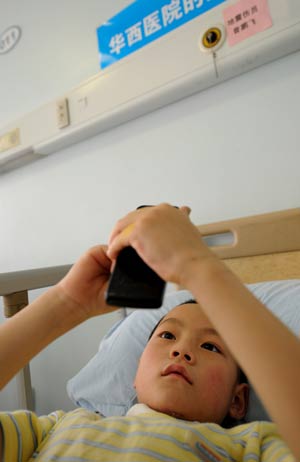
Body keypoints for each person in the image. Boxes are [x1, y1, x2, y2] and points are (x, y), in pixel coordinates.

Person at [0, 204, 299, 461]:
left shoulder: (252, 445)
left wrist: (199, 267)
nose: (180, 352)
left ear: (238, 400)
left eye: (211, 346)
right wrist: (66, 303)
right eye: (168, 336)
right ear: (136, 372)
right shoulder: (59, 426)